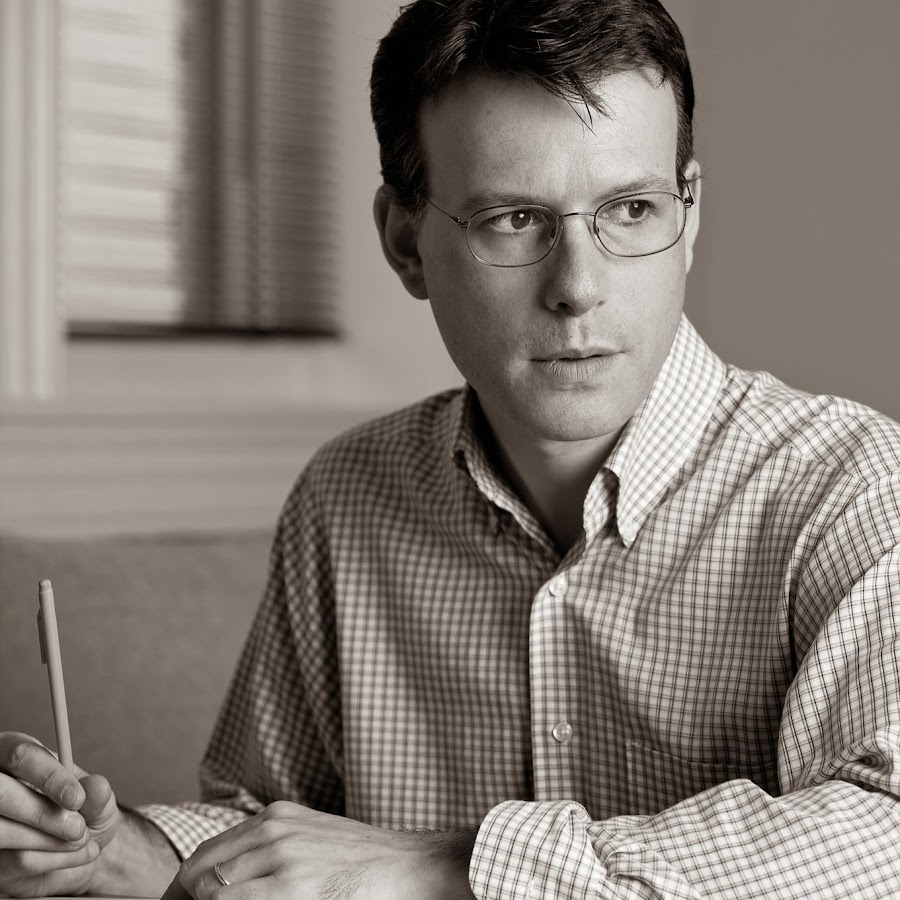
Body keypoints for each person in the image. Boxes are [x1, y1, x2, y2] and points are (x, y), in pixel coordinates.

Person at [3, 0, 900, 897]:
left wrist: (447, 868)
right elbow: (272, 828)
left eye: (631, 208)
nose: (579, 287)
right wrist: (124, 851)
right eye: (513, 219)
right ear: (406, 243)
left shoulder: (851, 489)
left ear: (689, 215)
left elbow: (885, 834)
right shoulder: (346, 494)